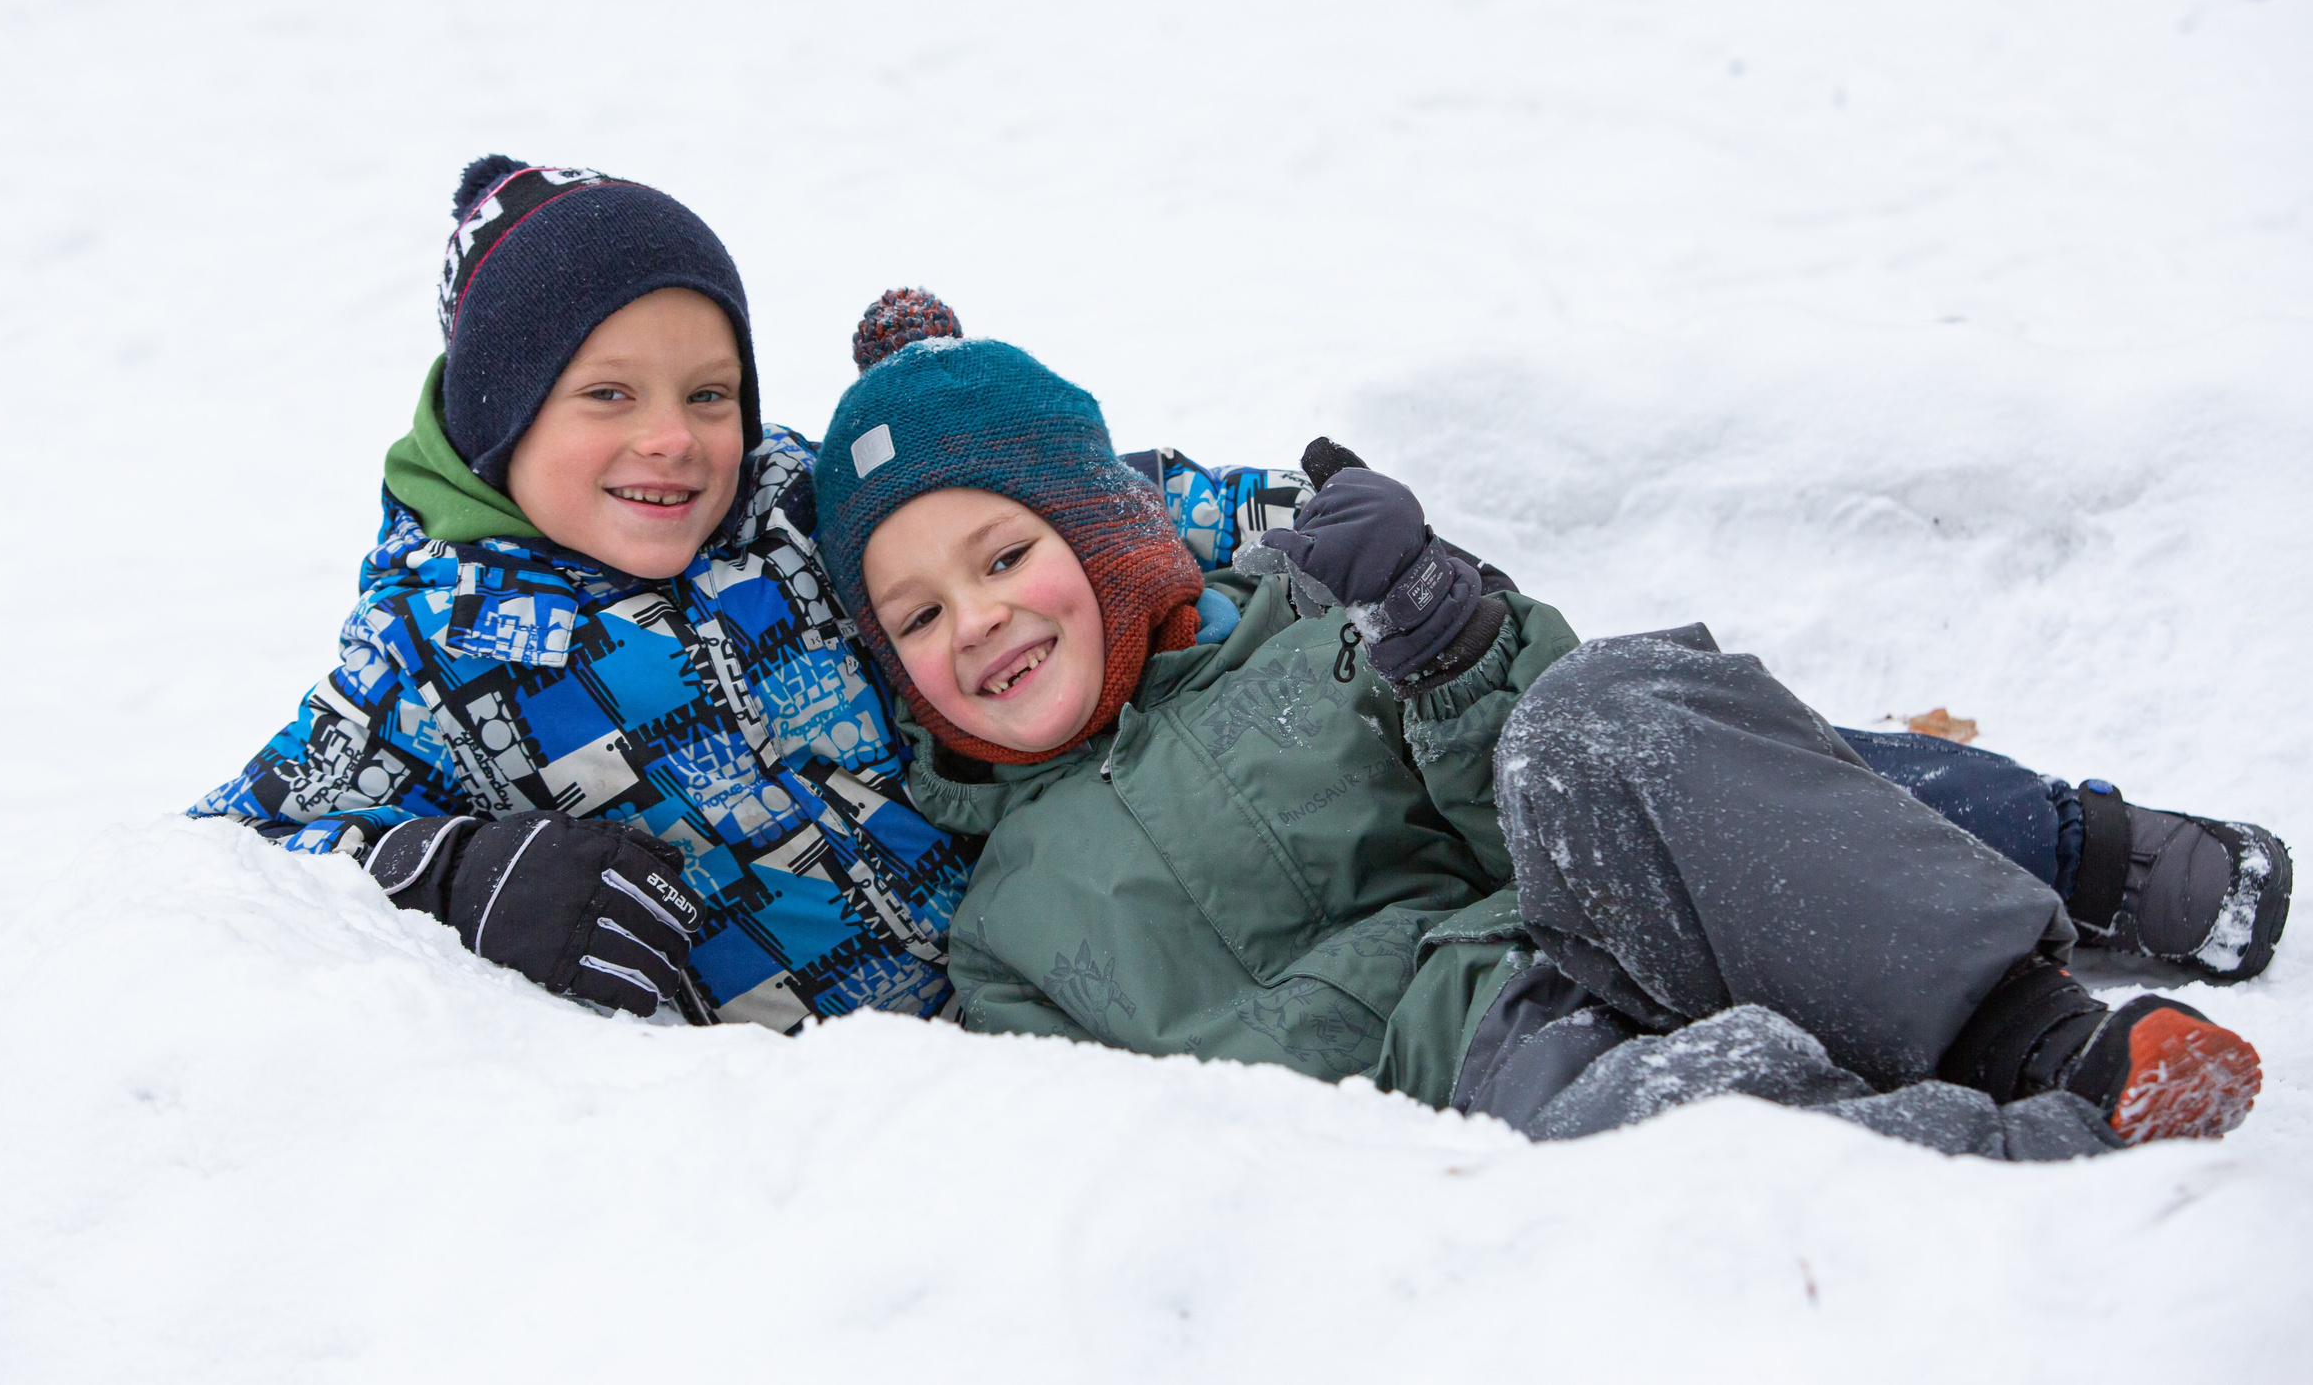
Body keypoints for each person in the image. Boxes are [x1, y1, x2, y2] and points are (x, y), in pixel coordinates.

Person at [810, 309, 2275, 1152]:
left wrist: (1443, 629)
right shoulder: (1005, 929)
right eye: (919, 614)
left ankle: (2060, 1045)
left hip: (1600, 902)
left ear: (1109, 534)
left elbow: (1517, 778)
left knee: (1606, 711)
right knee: (1696, 1131)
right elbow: (1117, 1151)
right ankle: (2039, 1176)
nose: (978, 622)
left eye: (1004, 557)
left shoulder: (1293, 626)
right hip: (1479, 1065)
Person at [188, 159, 1304, 1029]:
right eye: (608, 394)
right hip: (805, 1127)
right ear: (499, 416)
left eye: (708, 392)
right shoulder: (429, 647)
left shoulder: (790, 501)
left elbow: (1038, 496)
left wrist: (1286, 513)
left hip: (1062, 966)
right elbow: (224, 868)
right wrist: (456, 876)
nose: (670, 438)